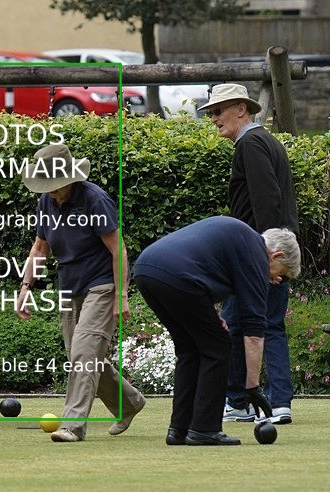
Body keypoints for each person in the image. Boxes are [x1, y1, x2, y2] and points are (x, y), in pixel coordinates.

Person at [16, 143, 146, 443]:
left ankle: (72, 425)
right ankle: (129, 403)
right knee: (81, 356)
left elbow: (118, 249)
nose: (50, 191)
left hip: (101, 284)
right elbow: (40, 248)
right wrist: (25, 288)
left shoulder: (94, 199)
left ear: (71, 178)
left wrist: (121, 296)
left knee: (84, 355)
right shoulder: (47, 203)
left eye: (55, 185)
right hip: (69, 286)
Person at [133, 216, 300, 445]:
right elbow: (253, 329)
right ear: (277, 256)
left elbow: (202, 264)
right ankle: (205, 429)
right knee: (218, 346)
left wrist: (212, 314)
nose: (278, 280)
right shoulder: (256, 256)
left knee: (189, 349)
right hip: (177, 277)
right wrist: (252, 388)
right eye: (282, 274)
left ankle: (179, 429)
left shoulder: (243, 240)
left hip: (146, 270)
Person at [198, 84, 299, 425]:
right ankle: (244, 401)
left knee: (255, 323)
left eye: (218, 111)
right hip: (270, 251)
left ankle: (267, 402)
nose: (213, 119)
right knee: (248, 322)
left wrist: (264, 256)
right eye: (211, 113)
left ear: (241, 109)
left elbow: (267, 201)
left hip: (263, 253)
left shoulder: (252, 143)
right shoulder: (262, 142)